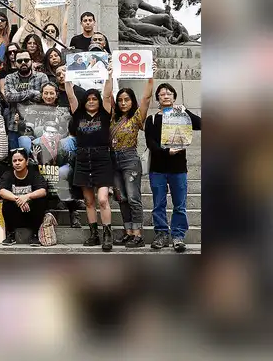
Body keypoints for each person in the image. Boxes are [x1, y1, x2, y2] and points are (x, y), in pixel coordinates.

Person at [145, 83, 202, 253]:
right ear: (158, 99)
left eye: (169, 93)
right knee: (158, 204)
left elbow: (200, 124)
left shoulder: (181, 115)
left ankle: (178, 236)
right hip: (158, 168)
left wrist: (185, 111)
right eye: (162, 94)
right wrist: (166, 152)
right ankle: (161, 234)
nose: (166, 96)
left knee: (180, 205)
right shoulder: (152, 119)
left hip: (178, 169)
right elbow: (150, 143)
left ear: (174, 97)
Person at [65, 63, 116, 251]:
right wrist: (68, 77)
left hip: (102, 158)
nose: (92, 101)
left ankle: (107, 234)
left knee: (102, 199)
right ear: (85, 101)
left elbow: (107, 95)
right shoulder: (78, 115)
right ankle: (94, 234)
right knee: (88, 201)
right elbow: (70, 95)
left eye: (95, 98)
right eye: (89, 99)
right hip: (83, 158)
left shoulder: (104, 114)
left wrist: (109, 76)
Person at [110, 72, 156, 248]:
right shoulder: (112, 117)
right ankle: (128, 232)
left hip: (130, 160)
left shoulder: (137, 117)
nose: (123, 103)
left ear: (132, 101)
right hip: (113, 161)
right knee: (121, 198)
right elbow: (106, 97)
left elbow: (146, 98)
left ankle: (138, 234)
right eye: (120, 100)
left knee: (133, 198)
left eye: (126, 100)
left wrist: (150, 77)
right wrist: (109, 75)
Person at [26, 84, 80, 228]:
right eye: (46, 93)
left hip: (59, 166)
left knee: (65, 173)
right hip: (43, 167)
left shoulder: (64, 112)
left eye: (52, 93)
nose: (49, 96)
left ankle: (73, 213)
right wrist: (37, 160)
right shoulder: (34, 114)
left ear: (56, 94)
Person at [0, 148, 49, 247]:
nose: (17, 163)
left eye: (20, 160)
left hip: (31, 214)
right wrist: (18, 199)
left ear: (27, 161)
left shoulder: (34, 174)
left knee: (40, 201)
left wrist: (27, 197)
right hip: (15, 214)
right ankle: (11, 234)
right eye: (14, 161)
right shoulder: (8, 175)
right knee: (7, 202)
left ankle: (35, 234)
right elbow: (2, 191)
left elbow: (43, 191)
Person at [1, 51, 50, 152]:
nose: (23, 62)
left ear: (31, 61)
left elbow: (44, 97)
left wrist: (18, 96)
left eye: (26, 60)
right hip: (14, 125)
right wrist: (31, 93)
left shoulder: (42, 77)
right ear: (15, 63)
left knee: (38, 158)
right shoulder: (10, 78)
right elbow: (9, 97)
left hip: (37, 125)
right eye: (19, 61)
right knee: (16, 157)